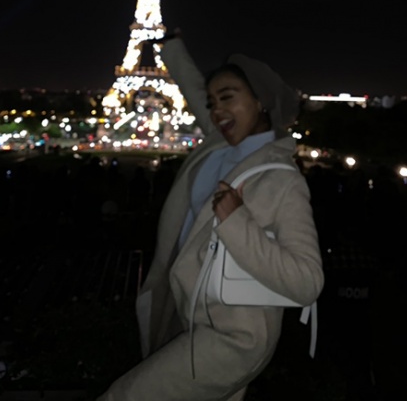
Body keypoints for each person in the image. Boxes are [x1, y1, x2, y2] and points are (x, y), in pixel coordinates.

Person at [95, 34, 324, 401]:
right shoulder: (219, 145)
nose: (216, 110)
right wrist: (171, 48)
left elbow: (308, 282)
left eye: (228, 98)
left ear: (261, 101)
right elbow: (193, 85)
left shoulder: (282, 179)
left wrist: (236, 222)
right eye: (212, 102)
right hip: (184, 307)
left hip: (234, 335)